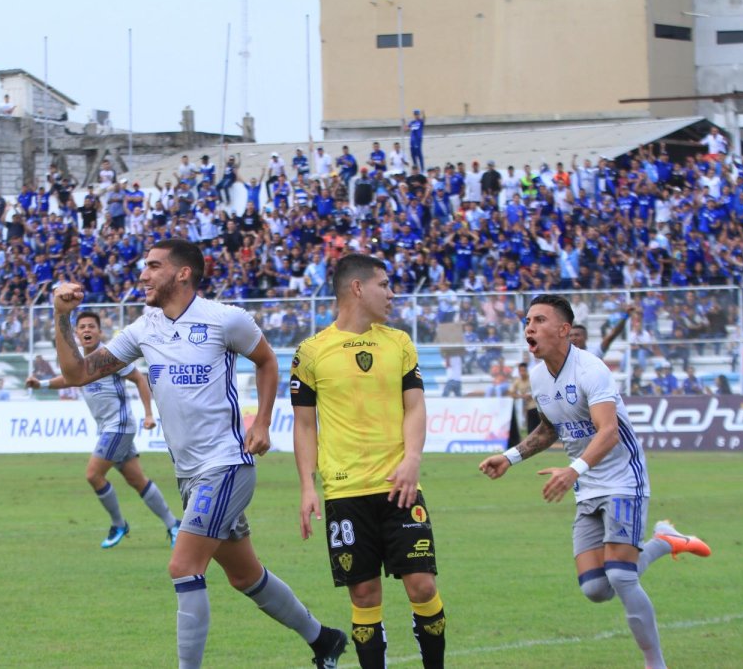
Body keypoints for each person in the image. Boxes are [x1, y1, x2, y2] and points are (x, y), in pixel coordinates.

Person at [49, 239, 346, 669]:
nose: (143, 274)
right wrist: (62, 316)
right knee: (245, 575)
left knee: (183, 565)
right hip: (191, 476)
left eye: (153, 266)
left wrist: (261, 422)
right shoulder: (143, 329)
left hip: (226, 466)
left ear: (182, 273)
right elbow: (77, 373)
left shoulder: (225, 320)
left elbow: (267, 361)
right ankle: (324, 639)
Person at [477, 294, 711, 669]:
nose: (529, 328)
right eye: (527, 321)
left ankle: (656, 663)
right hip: (587, 483)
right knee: (595, 588)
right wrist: (509, 457)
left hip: (621, 478)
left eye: (538, 320)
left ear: (564, 329)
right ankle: (664, 541)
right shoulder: (538, 377)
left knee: (621, 575)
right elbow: (550, 430)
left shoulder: (592, 370)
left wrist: (573, 471)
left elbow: (609, 432)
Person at [292, 254, 445, 669]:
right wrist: (308, 485)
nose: (392, 293)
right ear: (357, 288)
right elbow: (305, 426)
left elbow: (414, 407)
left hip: (400, 485)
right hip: (345, 492)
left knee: (422, 586)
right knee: (363, 595)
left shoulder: (399, 343)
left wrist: (413, 457)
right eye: (384, 284)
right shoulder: (310, 353)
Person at [26, 310, 180, 548]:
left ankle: (119, 524)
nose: (87, 330)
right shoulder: (77, 362)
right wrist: (42, 384)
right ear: (76, 334)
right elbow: (69, 379)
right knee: (137, 479)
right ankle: (173, 525)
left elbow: (140, 379)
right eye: (82, 327)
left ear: (100, 332)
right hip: (109, 428)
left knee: (93, 475)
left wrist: (149, 414)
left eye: (91, 326)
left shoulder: (110, 357)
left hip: (118, 427)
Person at [569, 303, 635, 358]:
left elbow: (613, 334)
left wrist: (626, 316)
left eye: (577, 335)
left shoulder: (595, 351)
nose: (573, 338)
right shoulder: (565, 356)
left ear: (586, 337)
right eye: (570, 336)